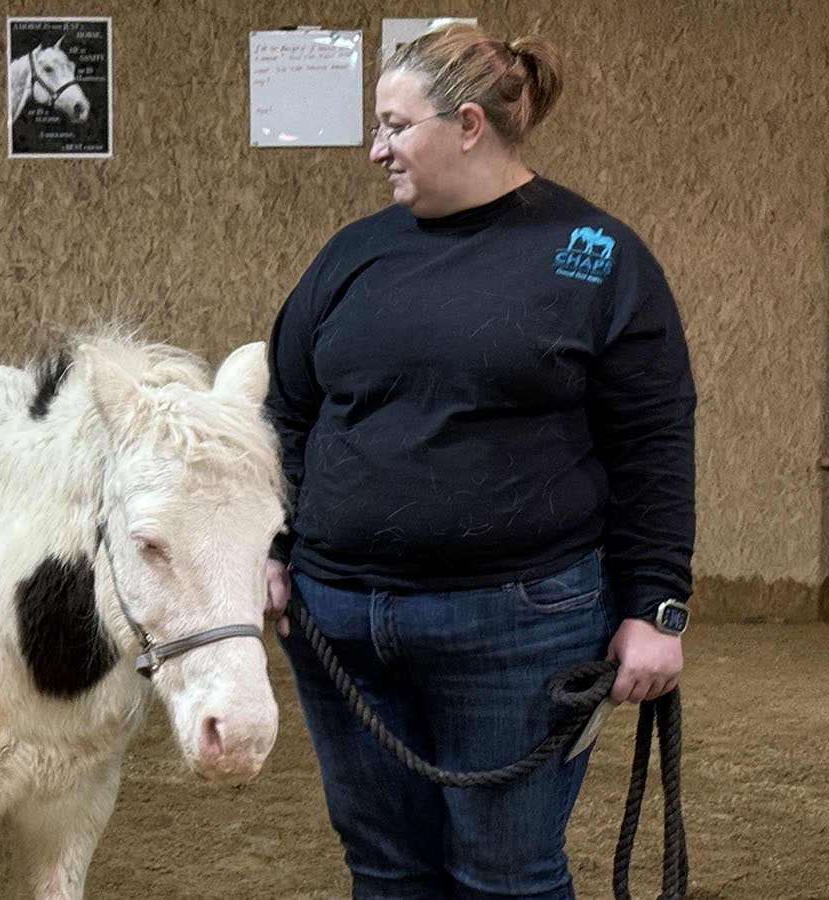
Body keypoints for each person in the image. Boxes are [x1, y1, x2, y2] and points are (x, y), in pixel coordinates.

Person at [261, 23, 695, 900]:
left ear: (467, 124)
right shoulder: (351, 254)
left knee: (506, 876)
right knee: (386, 869)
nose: (376, 150)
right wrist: (270, 545)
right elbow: (287, 414)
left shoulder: (598, 256)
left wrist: (656, 607)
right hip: (338, 619)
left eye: (394, 126)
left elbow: (654, 441)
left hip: (518, 625)